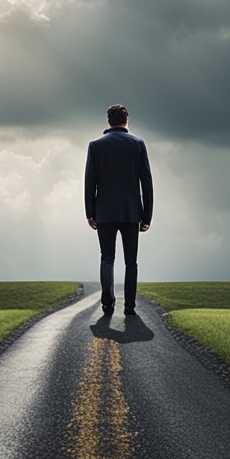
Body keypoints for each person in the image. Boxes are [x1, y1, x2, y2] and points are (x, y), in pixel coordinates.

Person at [84, 103, 153, 316]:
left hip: (104, 212)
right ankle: (130, 307)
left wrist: (90, 212)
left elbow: (90, 182)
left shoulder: (95, 146)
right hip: (132, 212)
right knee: (131, 262)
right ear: (126, 120)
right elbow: (147, 183)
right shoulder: (138, 144)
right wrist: (147, 215)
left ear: (108, 121)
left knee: (107, 258)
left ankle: (107, 304)